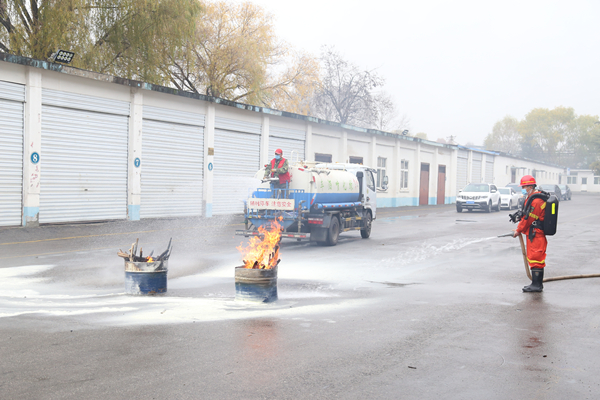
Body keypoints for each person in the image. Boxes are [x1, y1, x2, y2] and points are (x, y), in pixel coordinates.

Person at [512, 175, 547, 292]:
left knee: (536, 258)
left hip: (536, 234)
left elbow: (529, 219)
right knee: (533, 257)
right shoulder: (531, 198)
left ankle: (537, 285)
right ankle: (535, 283)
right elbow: (525, 215)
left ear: (531, 186)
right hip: (533, 233)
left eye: (524, 187)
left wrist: (518, 230)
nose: (523, 189)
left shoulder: (536, 201)